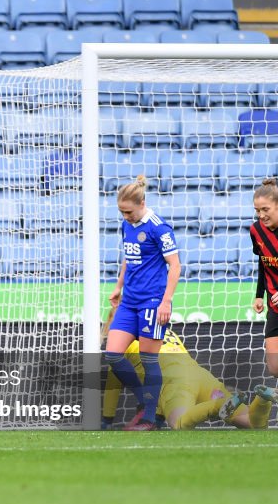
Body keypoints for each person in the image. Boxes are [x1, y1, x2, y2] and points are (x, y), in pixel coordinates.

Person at [104, 176, 181, 431]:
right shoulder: (128, 225)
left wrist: (166, 301)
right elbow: (130, 256)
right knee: (113, 354)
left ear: (142, 203)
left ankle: (149, 418)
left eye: (129, 211)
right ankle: (148, 402)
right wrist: (118, 286)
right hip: (129, 301)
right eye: (122, 212)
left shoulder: (160, 228)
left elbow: (175, 265)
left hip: (152, 302)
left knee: (149, 359)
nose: (125, 216)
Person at [102, 329, 274, 430]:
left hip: (176, 383)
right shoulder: (163, 330)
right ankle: (263, 398)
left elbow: (113, 385)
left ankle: (218, 405)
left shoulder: (120, 343)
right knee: (253, 423)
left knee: (179, 423)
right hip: (200, 376)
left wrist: (106, 421)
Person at [249, 178, 278, 385]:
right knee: (274, 366)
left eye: (265, 209)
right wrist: (259, 294)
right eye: (257, 210)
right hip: (274, 306)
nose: (261, 215)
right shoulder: (256, 231)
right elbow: (263, 261)